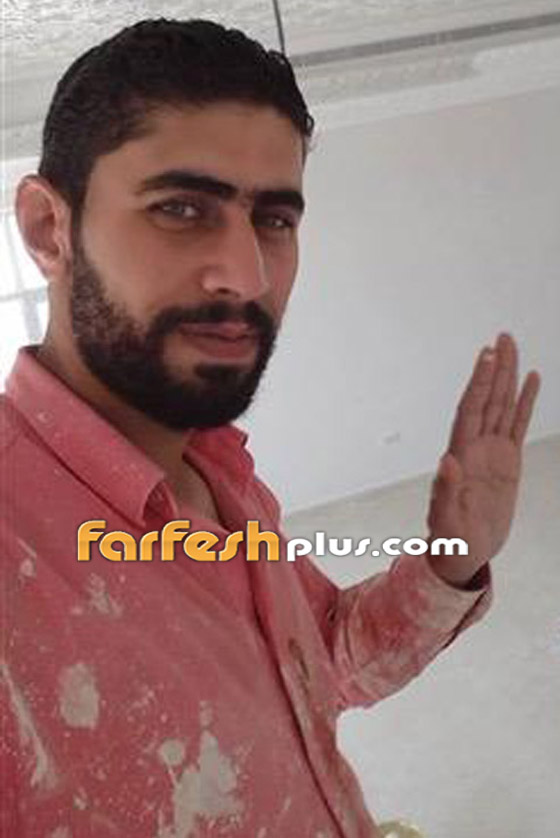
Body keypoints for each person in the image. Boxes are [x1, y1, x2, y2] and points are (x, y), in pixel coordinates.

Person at [0, 18, 541, 838]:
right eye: (181, 208)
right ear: (49, 229)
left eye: (275, 220)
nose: (247, 275)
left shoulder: (224, 480)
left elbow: (323, 666)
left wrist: (452, 559)